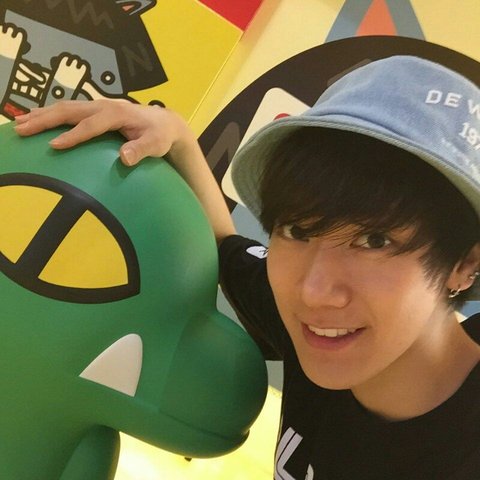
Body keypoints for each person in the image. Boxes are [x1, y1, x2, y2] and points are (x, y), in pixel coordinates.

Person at [14, 55, 480, 479]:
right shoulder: (324, 328)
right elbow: (226, 246)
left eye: (374, 241)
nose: (313, 292)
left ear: (464, 264)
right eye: (297, 229)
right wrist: (175, 134)